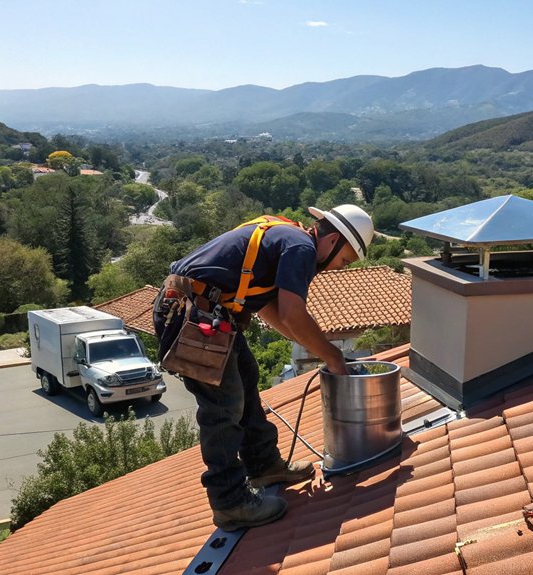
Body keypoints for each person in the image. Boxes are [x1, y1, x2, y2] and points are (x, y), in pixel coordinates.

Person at [155, 204, 374, 531]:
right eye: (343, 260)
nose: (336, 268)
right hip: (192, 312)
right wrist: (332, 355)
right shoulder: (301, 247)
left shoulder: (289, 237)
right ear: (332, 241)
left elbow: (273, 311)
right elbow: (292, 312)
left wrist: (317, 347)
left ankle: (263, 465)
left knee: (245, 379)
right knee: (222, 404)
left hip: (209, 312)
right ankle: (230, 503)